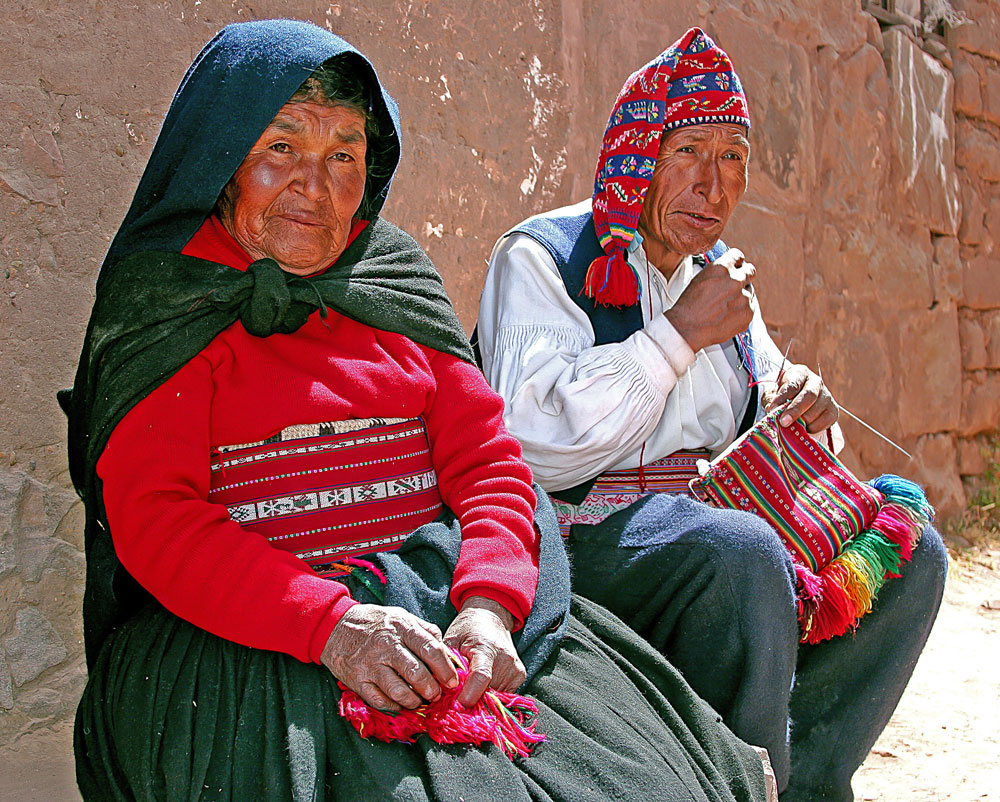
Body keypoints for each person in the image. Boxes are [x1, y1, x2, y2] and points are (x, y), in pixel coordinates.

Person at [63, 20, 771, 802]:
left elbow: (492, 464)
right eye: (281, 148)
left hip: (442, 612)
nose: (315, 184)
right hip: (253, 641)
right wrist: (332, 626)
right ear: (222, 161)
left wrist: (491, 607)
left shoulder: (394, 285)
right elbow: (156, 518)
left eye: (344, 156)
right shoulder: (170, 306)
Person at [477, 27, 948, 802]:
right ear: (638, 155)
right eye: (689, 151)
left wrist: (802, 399)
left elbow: (761, 397)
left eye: (734, 157)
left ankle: (805, 784)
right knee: (740, 550)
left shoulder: (718, 278)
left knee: (912, 556)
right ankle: (737, 786)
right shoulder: (543, 258)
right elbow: (534, 447)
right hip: (578, 534)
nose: (715, 183)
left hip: (712, 525)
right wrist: (678, 334)